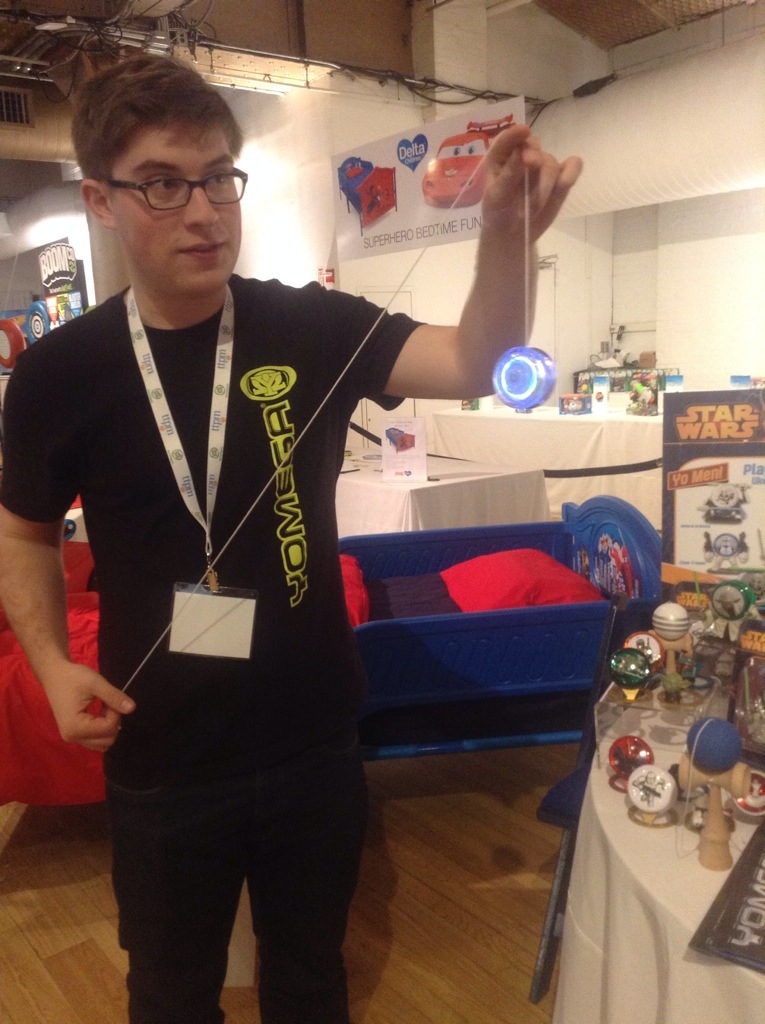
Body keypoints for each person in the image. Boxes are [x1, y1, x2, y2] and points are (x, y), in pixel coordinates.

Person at [0, 55, 581, 1024]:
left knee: (311, 980)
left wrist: (503, 238)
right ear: (102, 199)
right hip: (160, 751)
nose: (203, 211)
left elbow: (473, 361)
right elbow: (22, 534)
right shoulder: (60, 373)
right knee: (171, 993)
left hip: (311, 738)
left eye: (218, 177)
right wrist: (52, 663)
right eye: (163, 183)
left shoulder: (305, 325)